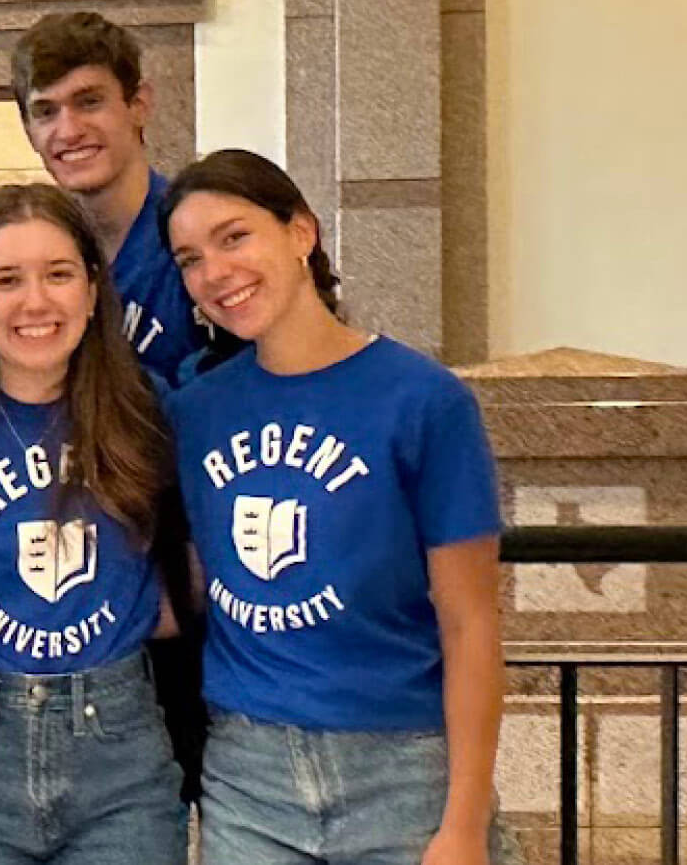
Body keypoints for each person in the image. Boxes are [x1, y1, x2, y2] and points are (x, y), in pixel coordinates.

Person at [162, 149, 515, 864]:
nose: (215, 272)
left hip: (403, 767)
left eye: (235, 237)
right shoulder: (195, 413)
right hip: (248, 773)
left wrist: (465, 824)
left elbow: (471, 622)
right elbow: (196, 575)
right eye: (190, 258)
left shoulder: (423, 400)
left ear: (301, 232)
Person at [0, 184, 186, 864]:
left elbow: (193, 556)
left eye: (58, 274)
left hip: (118, 745)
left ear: (91, 288)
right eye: (6, 280)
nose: (35, 302)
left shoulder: (147, 411)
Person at [10, 11, 214, 384]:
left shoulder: (197, 237)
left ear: (139, 105)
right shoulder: (32, 255)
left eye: (89, 102)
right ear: (28, 130)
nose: (68, 131)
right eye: (46, 112)